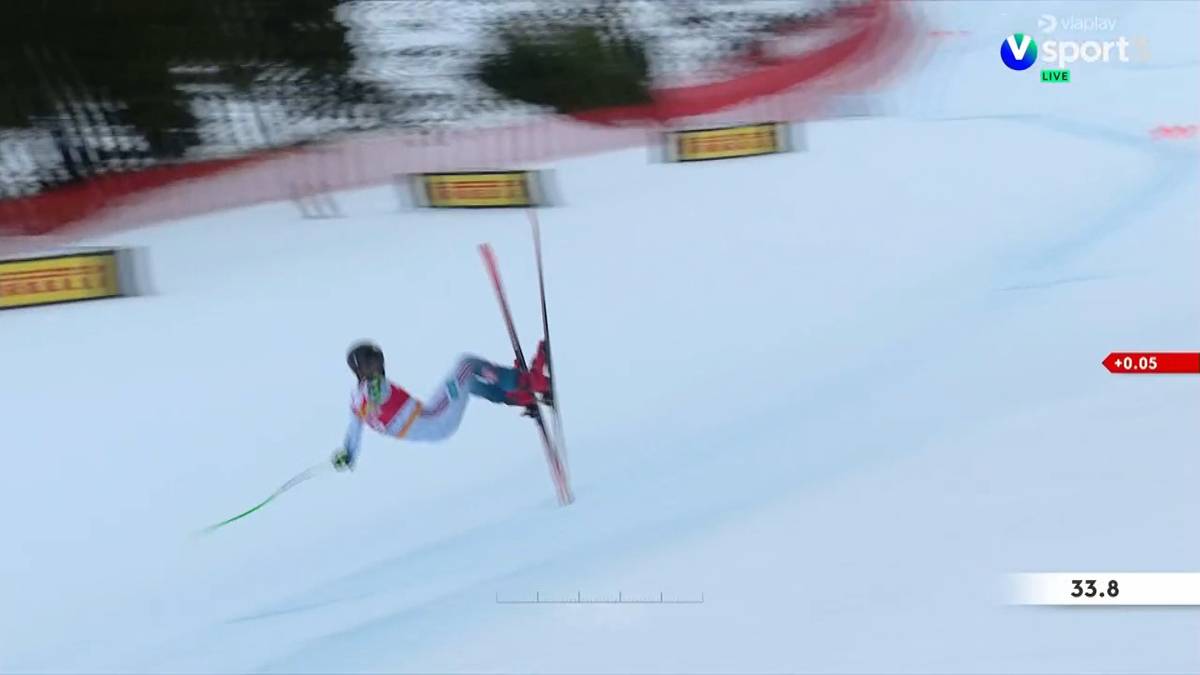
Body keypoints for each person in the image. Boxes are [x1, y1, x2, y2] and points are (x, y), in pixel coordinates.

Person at [331, 340, 550, 471]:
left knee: (468, 383)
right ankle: (530, 382)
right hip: (437, 417)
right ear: (363, 369)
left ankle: (518, 396)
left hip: (431, 421)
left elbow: (354, 430)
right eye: (375, 362)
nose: (380, 366)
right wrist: (376, 388)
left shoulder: (356, 399)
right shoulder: (373, 389)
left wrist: (348, 454)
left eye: (379, 361)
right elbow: (377, 392)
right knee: (466, 364)